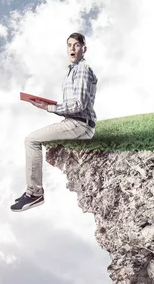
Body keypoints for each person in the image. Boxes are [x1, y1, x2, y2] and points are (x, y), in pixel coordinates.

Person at [11, 32, 98, 212]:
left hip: (80, 124)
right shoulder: (72, 71)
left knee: (31, 140)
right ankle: (33, 192)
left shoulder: (82, 69)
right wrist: (47, 105)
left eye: (76, 45)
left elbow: (78, 105)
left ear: (84, 49)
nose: (72, 48)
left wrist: (49, 107)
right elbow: (72, 105)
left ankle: (35, 194)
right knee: (33, 138)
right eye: (69, 45)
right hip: (75, 121)